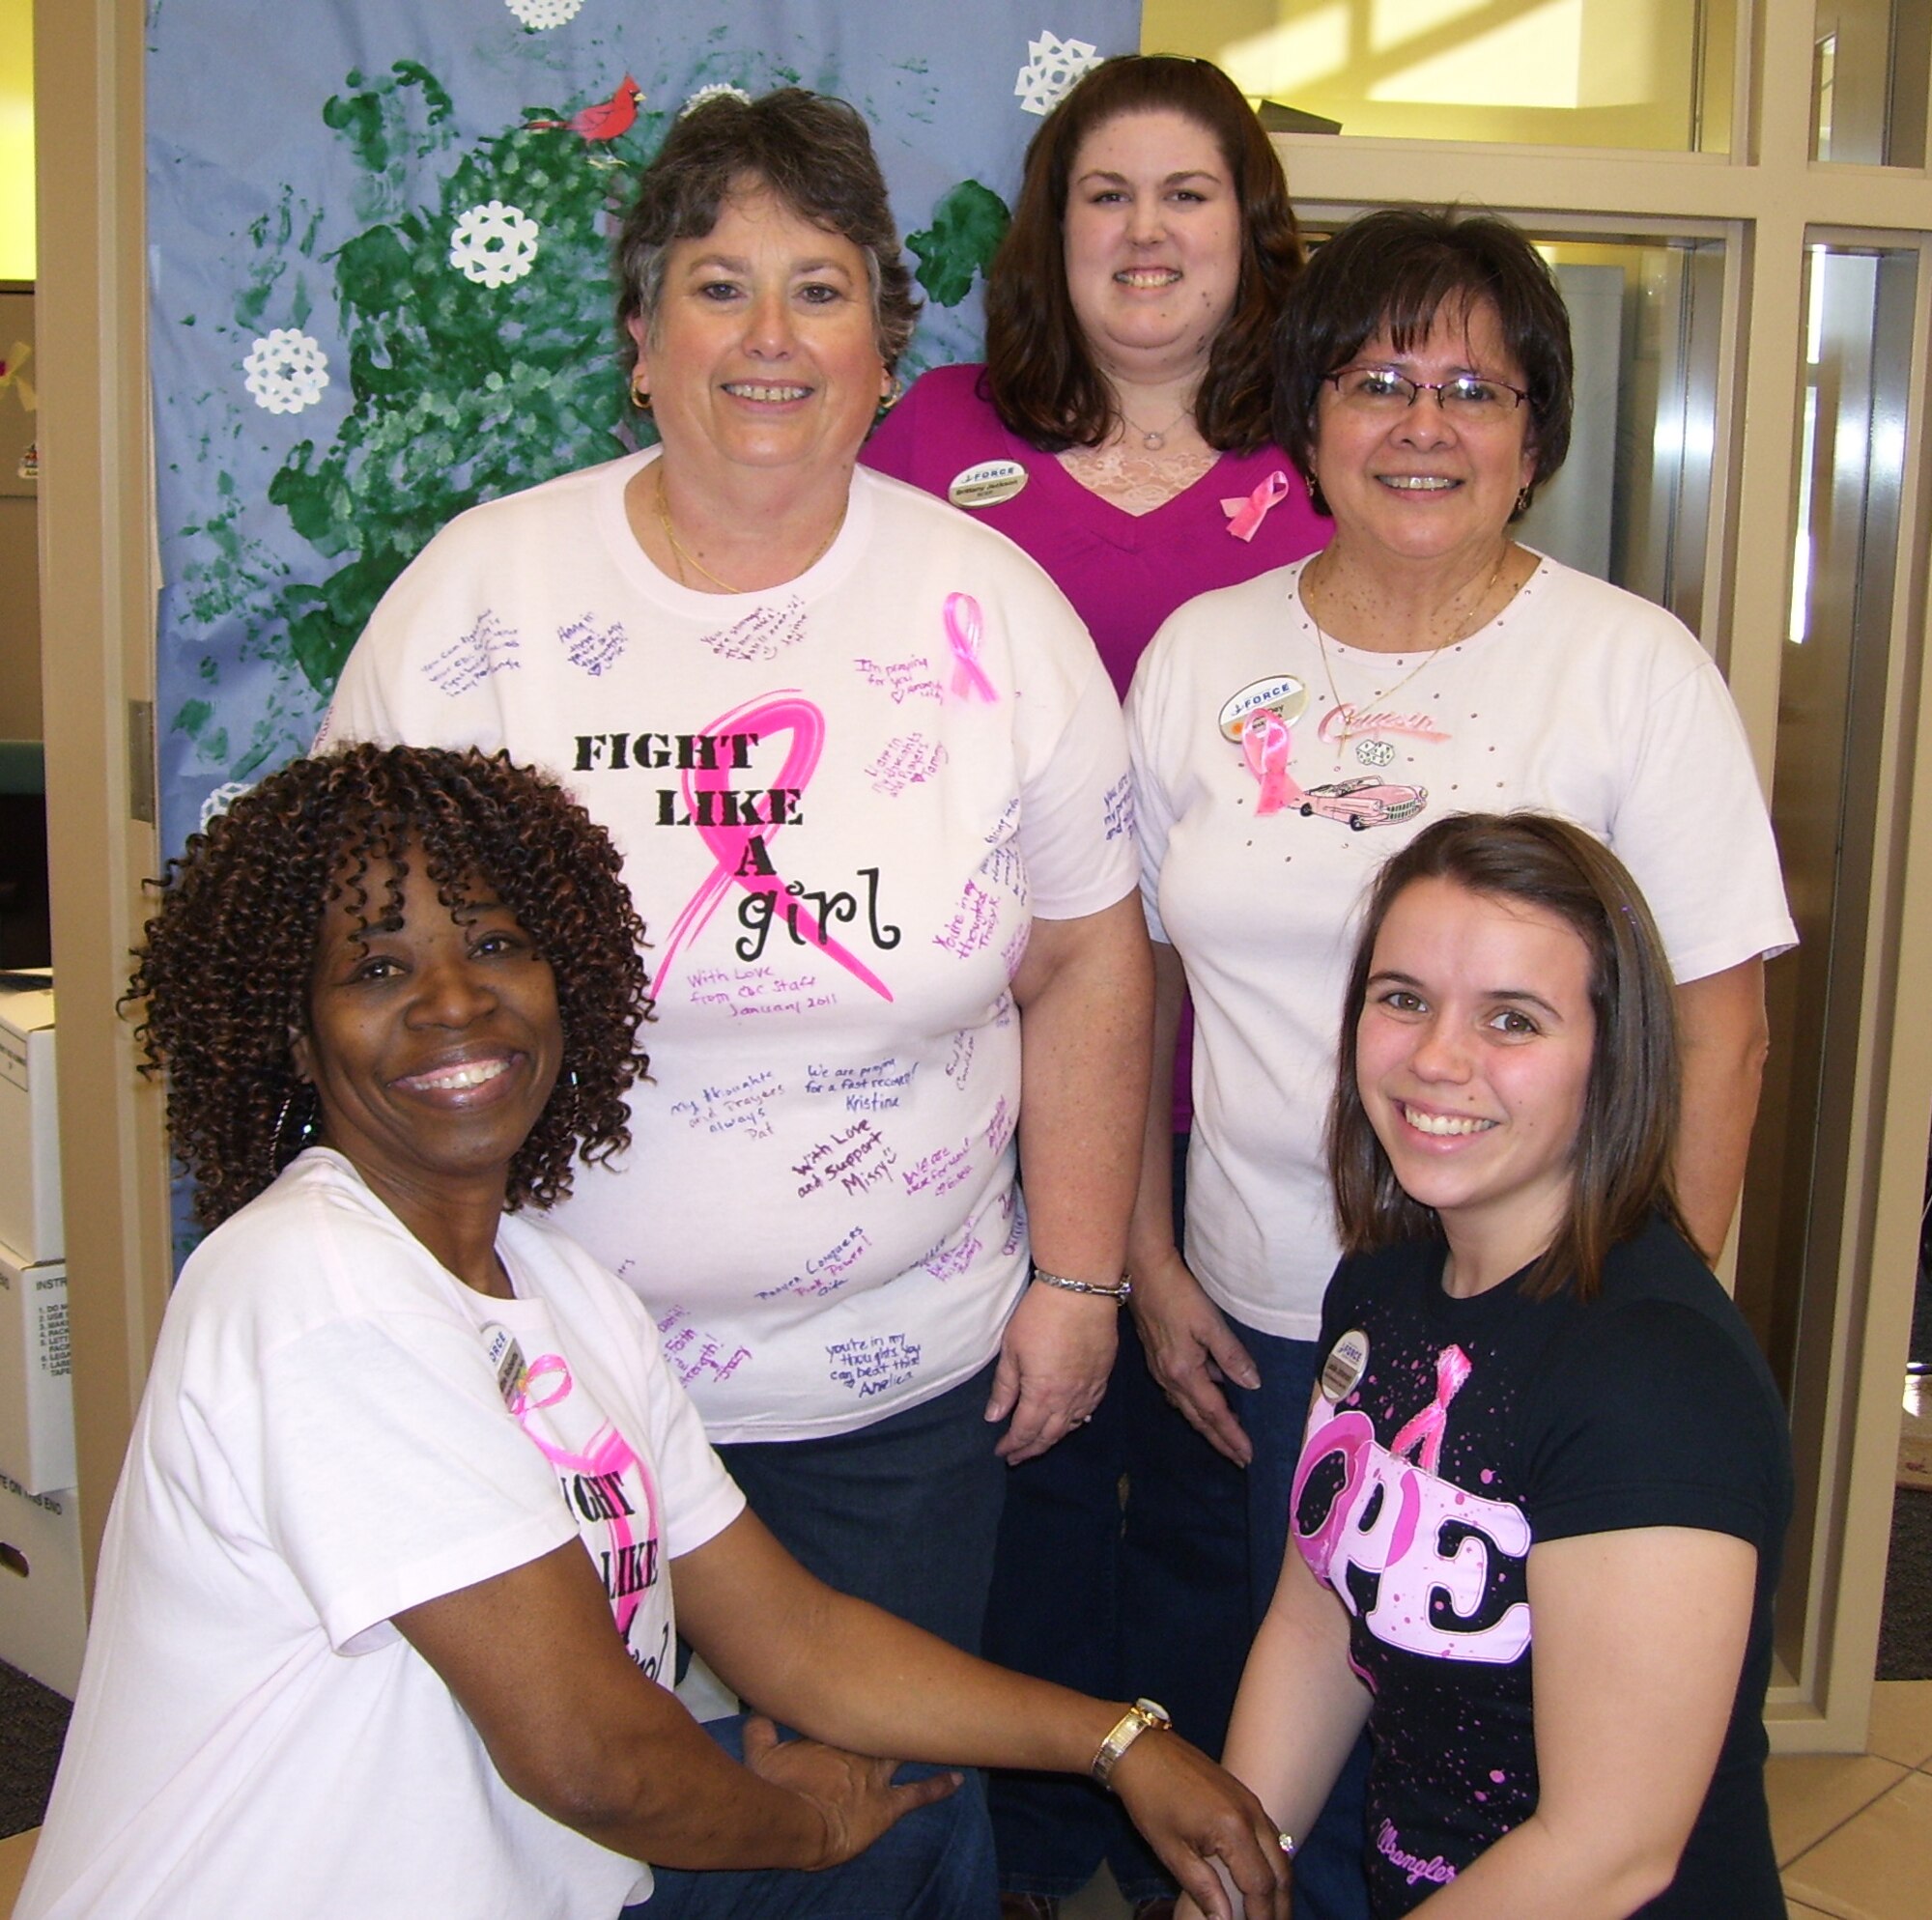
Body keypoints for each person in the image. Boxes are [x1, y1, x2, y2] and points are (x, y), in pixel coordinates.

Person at [16, 744, 1292, 1920]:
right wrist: (805, 1829)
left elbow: (796, 1641)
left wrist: (1123, 1742)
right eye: (379, 970)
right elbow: (591, 1759)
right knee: (851, 1821)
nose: (455, 1004)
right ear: (295, 1039)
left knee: (914, 1800)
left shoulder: (555, 1289)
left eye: (497, 947)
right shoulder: (313, 1289)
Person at [320, 89, 1151, 1680]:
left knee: (871, 1816)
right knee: (575, 1822)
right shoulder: (475, 599)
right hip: (538, 1375)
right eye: (717, 285)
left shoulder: (998, 609)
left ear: (884, 349)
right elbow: (343, 974)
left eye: (821, 288)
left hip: (892, 1400)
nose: (769, 334)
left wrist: (1079, 1277)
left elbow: (1092, 959)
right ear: (640, 339)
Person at [1124, 206, 1795, 1917]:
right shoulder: (1206, 654)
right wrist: (1138, 1261)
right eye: (1376, 379)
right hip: (1272, 1315)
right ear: (1309, 415)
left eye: (1477, 389)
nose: (1424, 423)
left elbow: (1714, 1018)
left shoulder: (1629, 665)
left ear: (1535, 435)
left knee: (1535, 1770)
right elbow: (1125, 986)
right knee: (1319, 1720)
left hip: (1539, 1323)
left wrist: (1622, 1322)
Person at [866, 55, 1326, 1917]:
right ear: (1053, 234)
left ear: (1251, 228)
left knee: (1223, 1486)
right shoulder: (938, 434)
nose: (1147, 231)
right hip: (988, 1081)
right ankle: (1042, 1845)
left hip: (1265, 1095)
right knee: (1035, 1478)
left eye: (1188, 193)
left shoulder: (1328, 454)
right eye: (1107, 194)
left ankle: (1217, 1837)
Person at [1185, 811, 1792, 1919]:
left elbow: (1607, 1851)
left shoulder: (1652, 1378)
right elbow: (1313, 1624)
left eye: (1510, 1019)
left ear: (1611, 1055)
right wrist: (1224, 1889)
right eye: (1401, 996)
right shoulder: (1379, 1289)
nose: (1434, 1057)